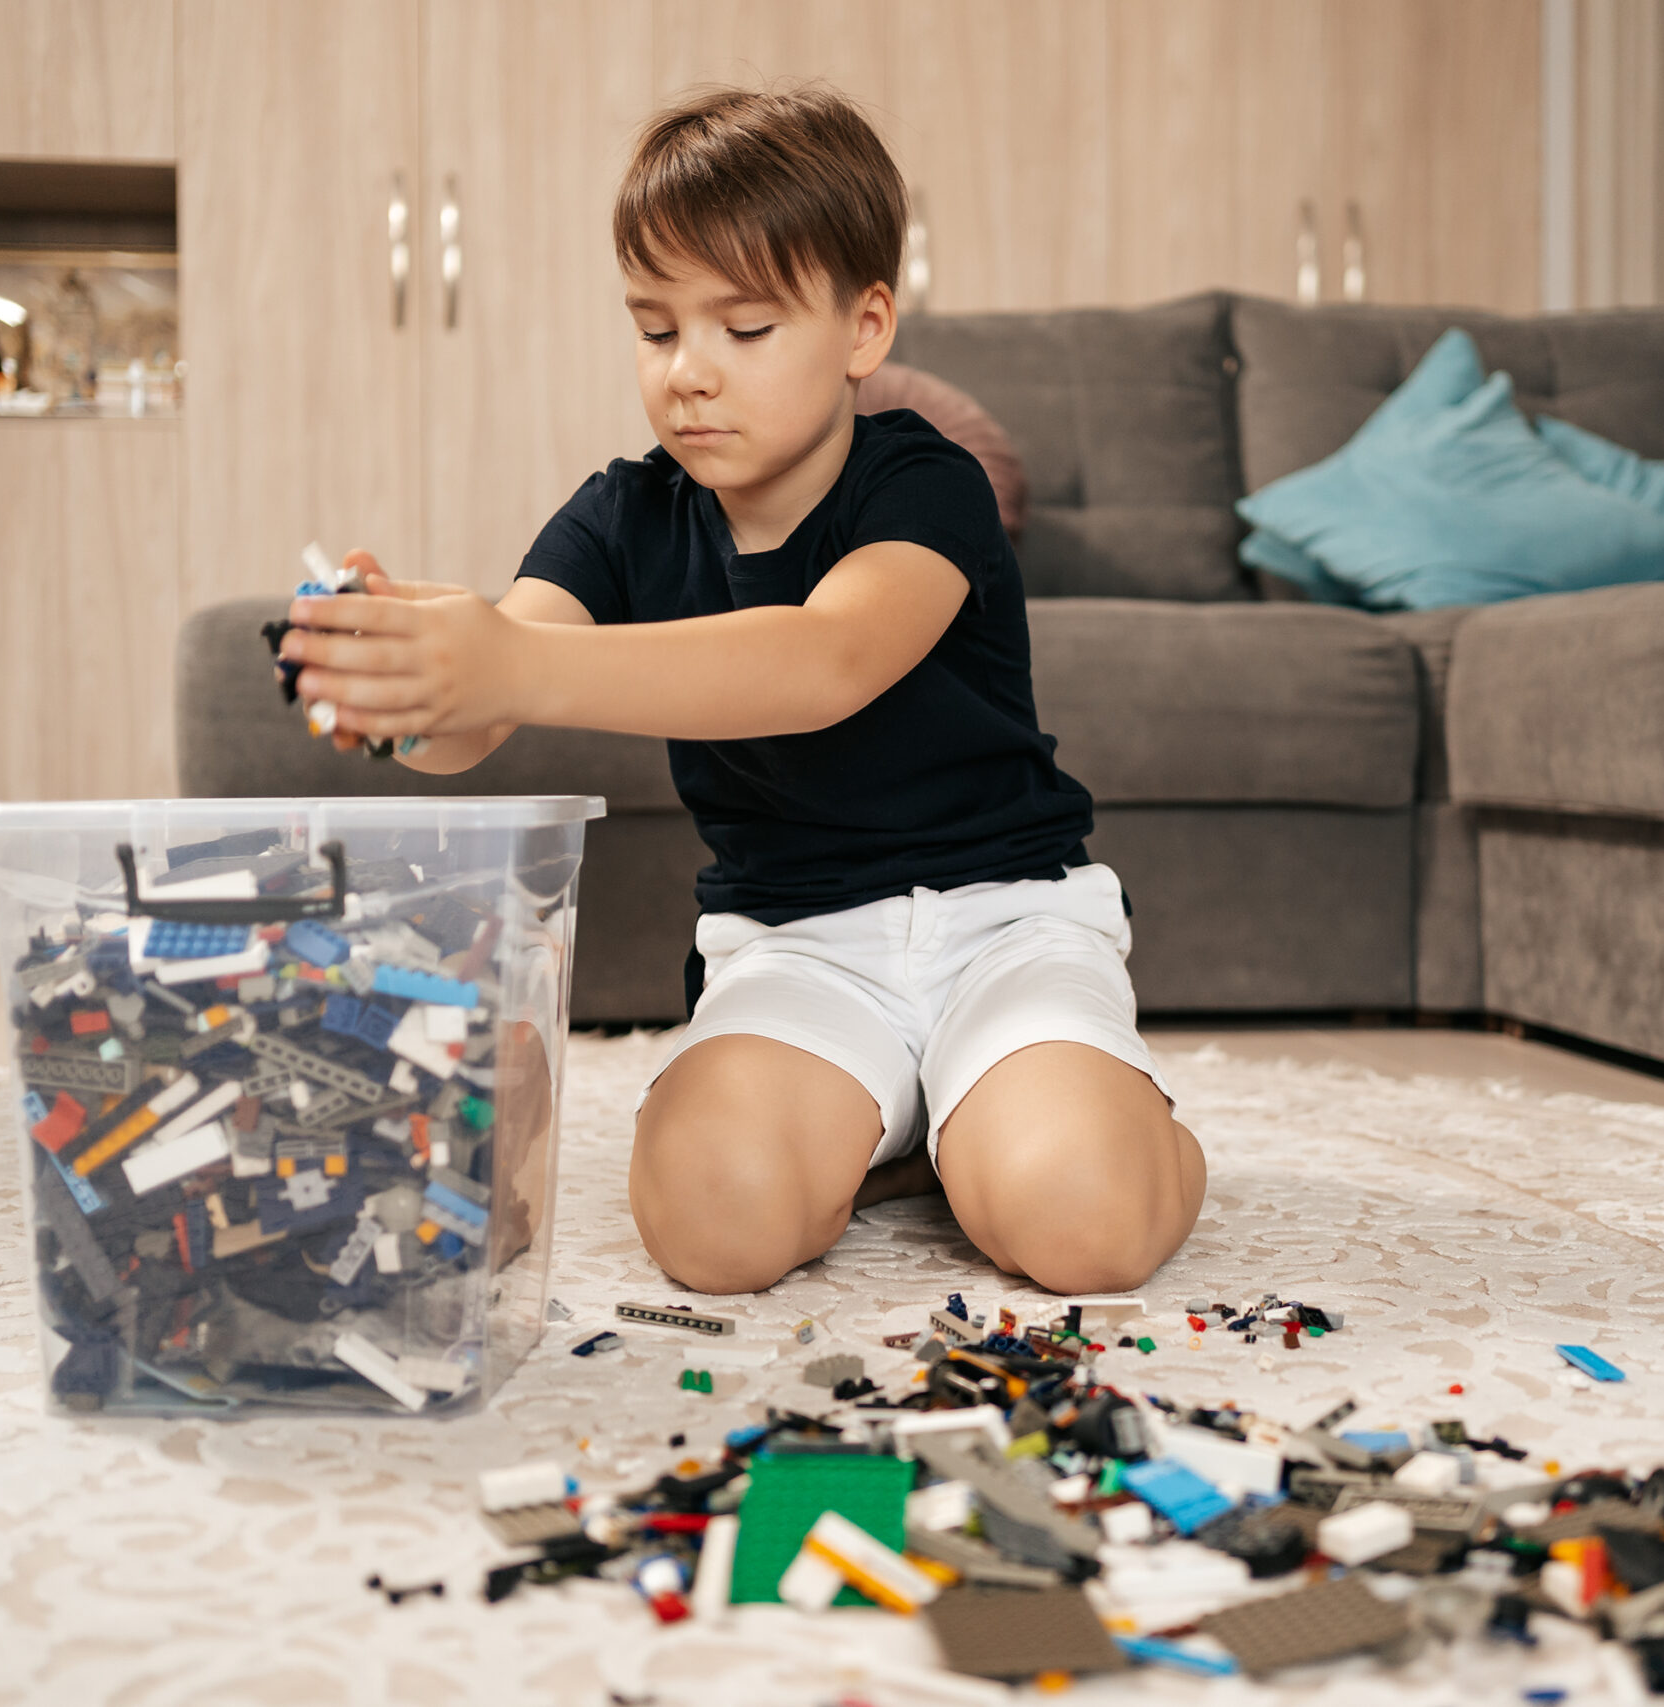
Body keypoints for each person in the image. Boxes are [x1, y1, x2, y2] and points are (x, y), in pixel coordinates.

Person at [271, 83, 1206, 1298]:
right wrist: (408, 692)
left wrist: (505, 658)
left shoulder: (924, 483)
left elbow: (822, 663)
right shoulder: (620, 515)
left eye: (744, 331)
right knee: (714, 1233)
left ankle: (1126, 1125)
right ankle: (905, 1127)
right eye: (657, 332)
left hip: (1007, 921)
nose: (689, 375)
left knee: (1083, 1226)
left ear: (863, 328)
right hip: (796, 944)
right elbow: (491, 705)